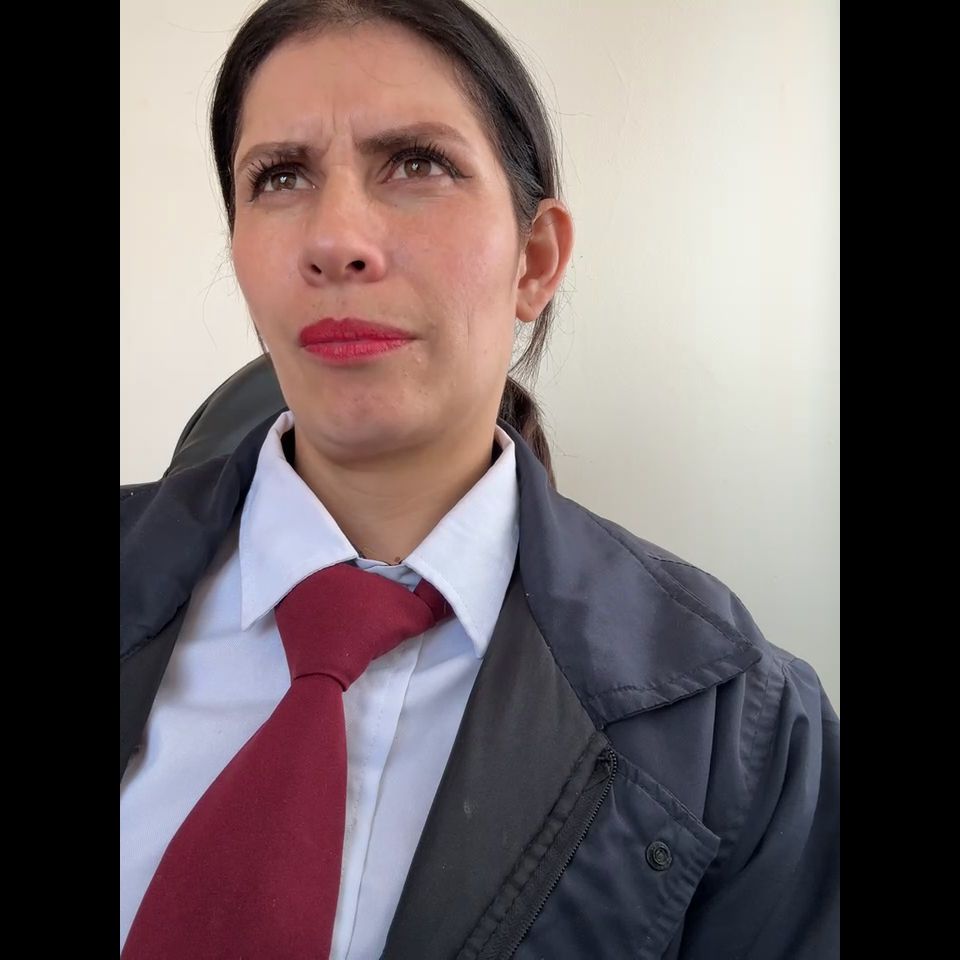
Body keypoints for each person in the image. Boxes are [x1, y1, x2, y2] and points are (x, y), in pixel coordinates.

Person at [120, 1, 840, 957]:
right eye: (280, 177)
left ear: (534, 261)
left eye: (417, 163)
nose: (336, 238)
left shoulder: (740, 729)